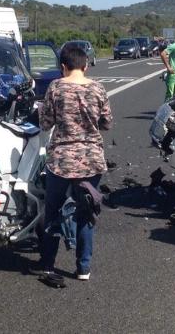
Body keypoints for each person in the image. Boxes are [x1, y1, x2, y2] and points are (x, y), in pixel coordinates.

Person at [38, 45, 113, 281]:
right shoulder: (98, 88)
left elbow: (45, 123)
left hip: (61, 161)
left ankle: (48, 264)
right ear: (86, 65)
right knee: (85, 212)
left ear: (63, 66)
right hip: (91, 160)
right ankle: (83, 267)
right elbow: (107, 123)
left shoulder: (55, 88)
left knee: (52, 213)